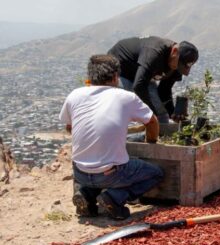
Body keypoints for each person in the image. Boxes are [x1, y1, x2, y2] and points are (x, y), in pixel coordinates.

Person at [59, 54, 164, 220]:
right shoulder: (125, 97)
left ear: (90, 76)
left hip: (80, 171)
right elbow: (152, 122)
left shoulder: (74, 95)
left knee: (97, 168)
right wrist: (151, 142)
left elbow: (69, 127)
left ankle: (86, 195)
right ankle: (115, 197)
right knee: (156, 173)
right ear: (116, 76)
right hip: (113, 174)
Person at [108, 36, 199, 123]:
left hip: (140, 77)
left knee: (162, 114)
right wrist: (152, 115)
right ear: (174, 52)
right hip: (118, 71)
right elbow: (139, 86)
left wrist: (172, 113)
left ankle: (155, 135)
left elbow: (164, 91)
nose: (176, 68)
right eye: (178, 65)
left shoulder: (176, 63)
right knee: (136, 109)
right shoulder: (154, 52)